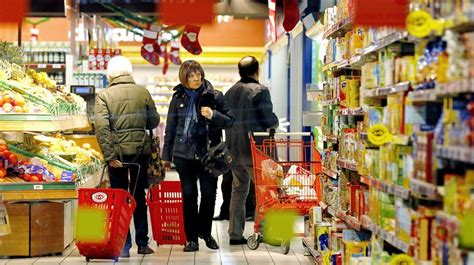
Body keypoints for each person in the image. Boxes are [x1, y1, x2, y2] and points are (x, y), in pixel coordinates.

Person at [162, 60, 234, 252]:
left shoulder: (215, 96)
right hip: (183, 154)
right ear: (184, 78)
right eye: (191, 75)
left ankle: (206, 232)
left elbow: (230, 121)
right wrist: (166, 156)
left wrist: (213, 115)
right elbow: (170, 128)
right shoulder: (177, 98)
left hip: (208, 154)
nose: (196, 78)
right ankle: (191, 238)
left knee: (209, 195)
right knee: (189, 195)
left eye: (198, 74)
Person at [94, 56, 159, 257]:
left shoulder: (103, 96)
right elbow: (154, 121)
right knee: (138, 195)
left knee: (119, 198)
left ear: (110, 74)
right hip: (141, 152)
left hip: (117, 155)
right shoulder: (143, 92)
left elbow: (102, 129)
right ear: (130, 72)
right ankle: (142, 243)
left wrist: (110, 156)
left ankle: (124, 245)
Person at [225, 56, 279, 245]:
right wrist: (275, 122)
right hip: (254, 149)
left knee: (238, 192)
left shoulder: (229, 92)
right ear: (257, 71)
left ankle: (234, 234)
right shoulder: (260, 91)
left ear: (240, 72)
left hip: (233, 149)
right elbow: (268, 119)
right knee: (264, 190)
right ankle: (262, 231)